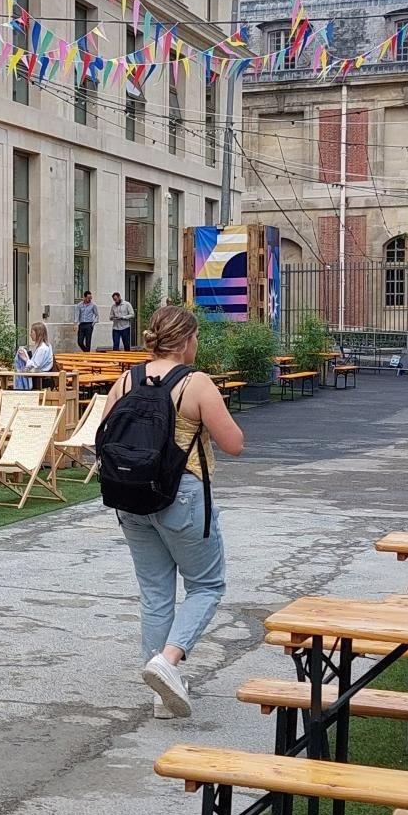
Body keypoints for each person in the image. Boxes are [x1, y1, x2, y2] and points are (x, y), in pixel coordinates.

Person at [109, 304, 244, 718]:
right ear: (186, 340)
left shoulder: (126, 379)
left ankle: (161, 695)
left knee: (155, 592)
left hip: (130, 497)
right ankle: (168, 661)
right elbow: (234, 443)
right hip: (181, 495)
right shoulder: (195, 384)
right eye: (196, 338)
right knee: (206, 585)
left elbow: (103, 430)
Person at [14, 321, 54, 390]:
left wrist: (25, 358)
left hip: (40, 378)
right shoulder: (46, 346)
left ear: (38, 333)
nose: (30, 335)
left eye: (32, 332)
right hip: (40, 376)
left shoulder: (42, 348)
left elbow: (35, 366)